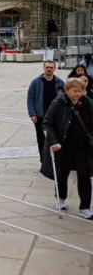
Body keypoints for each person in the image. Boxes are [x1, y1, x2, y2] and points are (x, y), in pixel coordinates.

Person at [41, 78, 93, 219]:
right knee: (62, 174)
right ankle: (61, 199)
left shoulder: (87, 103)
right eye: (74, 91)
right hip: (63, 146)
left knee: (84, 176)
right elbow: (47, 123)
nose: (77, 94)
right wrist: (53, 141)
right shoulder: (59, 102)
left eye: (80, 91)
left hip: (82, 147)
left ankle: (85, 207)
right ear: (67, 90)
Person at [27, 61, 64, 163]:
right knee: (41, 139)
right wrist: (32, 113)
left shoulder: (59, 82)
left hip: (55, 117)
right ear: (43, 68)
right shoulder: (36, 82)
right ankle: (43, 160)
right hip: (40, 115)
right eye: (47, 67)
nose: (49, 69)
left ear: (55, 68)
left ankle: (55, 161)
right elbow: (30, 98)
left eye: (51, 67)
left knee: (56, 139)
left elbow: (65, 99)